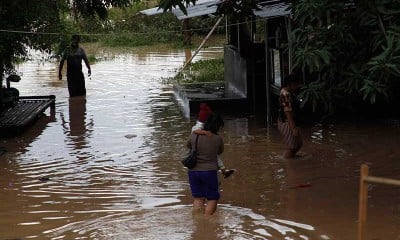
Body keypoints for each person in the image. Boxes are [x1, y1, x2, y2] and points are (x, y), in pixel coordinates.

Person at [186, 114, 225, 215]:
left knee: (198, 197)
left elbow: (188, 145)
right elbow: (220, 151)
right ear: (218, 126)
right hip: (209, 172)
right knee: (213, 198)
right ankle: (207, 222)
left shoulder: (194, 135)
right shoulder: (217, 139)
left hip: (193, 172)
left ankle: (197, 220)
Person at [191, 103, 235, 178]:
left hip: (195, 171)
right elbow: (194, 130)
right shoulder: (200, 127)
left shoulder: (200, 126)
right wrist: (205, 132)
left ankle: (224, 171)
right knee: (216, 157)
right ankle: (224, 171)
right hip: (209, 170)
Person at [277, 74, 303, 158]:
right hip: (287, 122)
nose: (298, 86)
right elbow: (287, 112)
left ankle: (291, 161)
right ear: (290, 84)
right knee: (292, 147)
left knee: (298, 144)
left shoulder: (286, 92)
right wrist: (293, 128)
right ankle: (289, 165)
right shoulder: (286, 94)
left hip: (288, 121)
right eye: (296, 84)